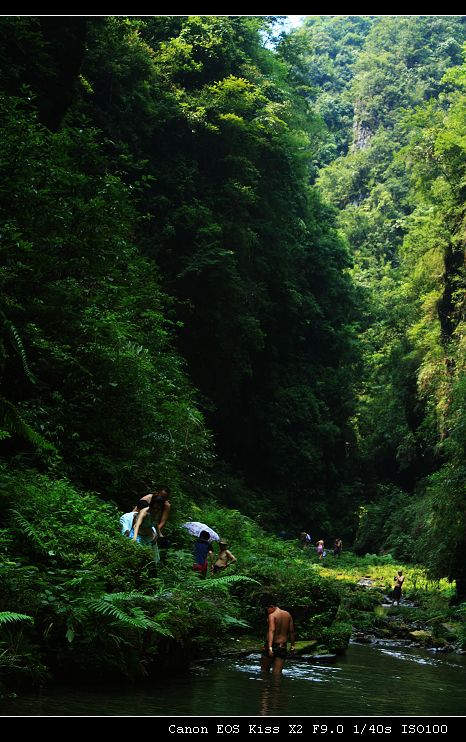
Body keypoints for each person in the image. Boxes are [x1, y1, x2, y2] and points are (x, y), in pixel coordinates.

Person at [260, 597, 295, 675]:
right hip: (282, 647)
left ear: (272, 606)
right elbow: (292, 631)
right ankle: (276, 687)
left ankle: (265, 686)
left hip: (272, 645)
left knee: (264, 672)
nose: (267, 612)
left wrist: (269, 647)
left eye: (266, 609)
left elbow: (271, 630)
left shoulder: (272, 615)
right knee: (277, 673)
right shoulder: (288, 614)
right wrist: (293, 645)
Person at [131, 497, 162, 563]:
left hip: (149, 536)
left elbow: (155, 523)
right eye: (154, 508)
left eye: (158, 508)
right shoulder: (144, 512)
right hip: (138, 535)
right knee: (137, 556)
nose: (156, 510)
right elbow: (137, 525)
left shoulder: (159, 512)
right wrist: (134, 538)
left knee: (152, 559)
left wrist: (159, 534)